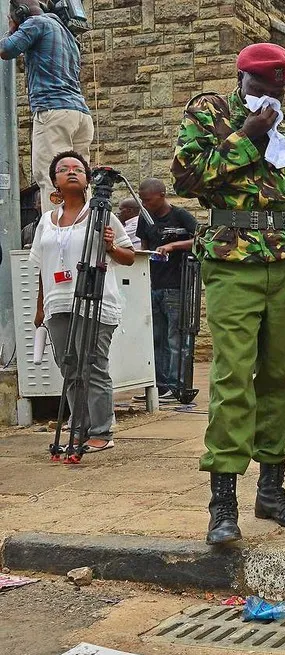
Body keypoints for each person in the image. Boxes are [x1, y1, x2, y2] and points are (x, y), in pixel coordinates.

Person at [171, 43, 285, 545]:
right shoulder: (211, 112)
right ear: (242, 79)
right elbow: (186, 176)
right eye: (263, 87)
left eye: (280, 88)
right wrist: (247, 138)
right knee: (232, 375)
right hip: (232, 261)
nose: (272, 97)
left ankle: (271, 489)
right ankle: (222, 503)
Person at [30, 151, 135, 452]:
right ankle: (79, 426)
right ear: (55, 182)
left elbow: (128, 258)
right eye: (64, 169)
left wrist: (111, 246)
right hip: (57, 303)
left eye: (78, 168)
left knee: (92, 364)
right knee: (69, 366)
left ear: (88, 179)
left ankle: (102, 430)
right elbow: (41, 266)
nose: (71, 172)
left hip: (95, 301)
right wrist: (40, 307)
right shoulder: (46, 221)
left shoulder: (101, 214)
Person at [1, 0, 92, 214]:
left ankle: (58, 234)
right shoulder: (67, 33)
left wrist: (13, 28)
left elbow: (6, 49)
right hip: (79, 113)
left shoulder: (36, 23)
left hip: (53, 112)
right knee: (80, 177)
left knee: (52, 175)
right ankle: (84, 229)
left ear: (21, 14)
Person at [135, 178, 198, 401]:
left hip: (176, 284)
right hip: (154, 284)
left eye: (148, 200)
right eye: (142, 200)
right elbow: (143, 246)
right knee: (156, 337)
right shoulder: (145, 217)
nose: (145, 203)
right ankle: (158, 385)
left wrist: (172, 245)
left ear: (162, 195)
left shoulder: (180, 216)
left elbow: (200, 240)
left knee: (175, 338)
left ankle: (176, 384)